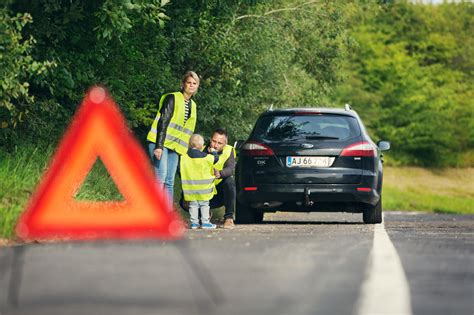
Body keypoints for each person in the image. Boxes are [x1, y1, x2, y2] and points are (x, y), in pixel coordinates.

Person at [146, 71, 200, 200]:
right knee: (160, 179)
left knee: (170, 182)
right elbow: (163, 121)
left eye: (194, 83)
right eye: (189, 82)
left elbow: (186, 130)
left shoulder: (193, 105)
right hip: (160, 142)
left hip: (175, 147)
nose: (191, 85)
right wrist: (159, 146)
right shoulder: (173, 98)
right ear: (183, 84)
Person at [180, 134, 219, 229]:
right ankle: (205, 222)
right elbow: (216, 159)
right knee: (204, 204)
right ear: (200, 145)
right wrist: (214, 152)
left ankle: (194, 223)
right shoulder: (206, 157)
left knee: (193, 205)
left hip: (190, 187)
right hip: (204, 188)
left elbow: (179, 170)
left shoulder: (184, 158)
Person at [206, 128, 237, 229]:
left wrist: (220, 173)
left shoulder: (229, 150)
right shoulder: (201, 148)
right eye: (214, 141)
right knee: (183, 200)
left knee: (229, 181)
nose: (215, 145)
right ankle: (202, 214)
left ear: (225, 144)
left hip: (219, 194)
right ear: (210, 139)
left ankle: (229, 218)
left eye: (219, 143)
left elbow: (230, 168)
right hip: (202, 191)